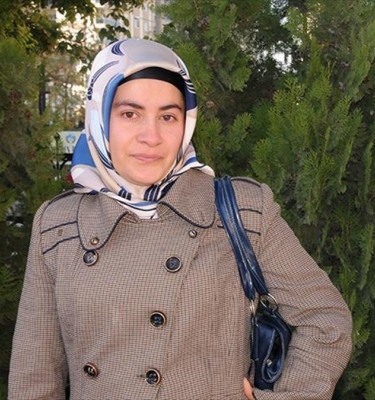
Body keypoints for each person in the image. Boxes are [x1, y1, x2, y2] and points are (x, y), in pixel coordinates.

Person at [9, 38, 352, 399]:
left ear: (186, 122)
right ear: (99, 115)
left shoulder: (243, 210)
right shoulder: (58, 226)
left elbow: (325, 320)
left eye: (168, 116)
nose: (151, 137)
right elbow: (34, 377)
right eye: (130, 114)